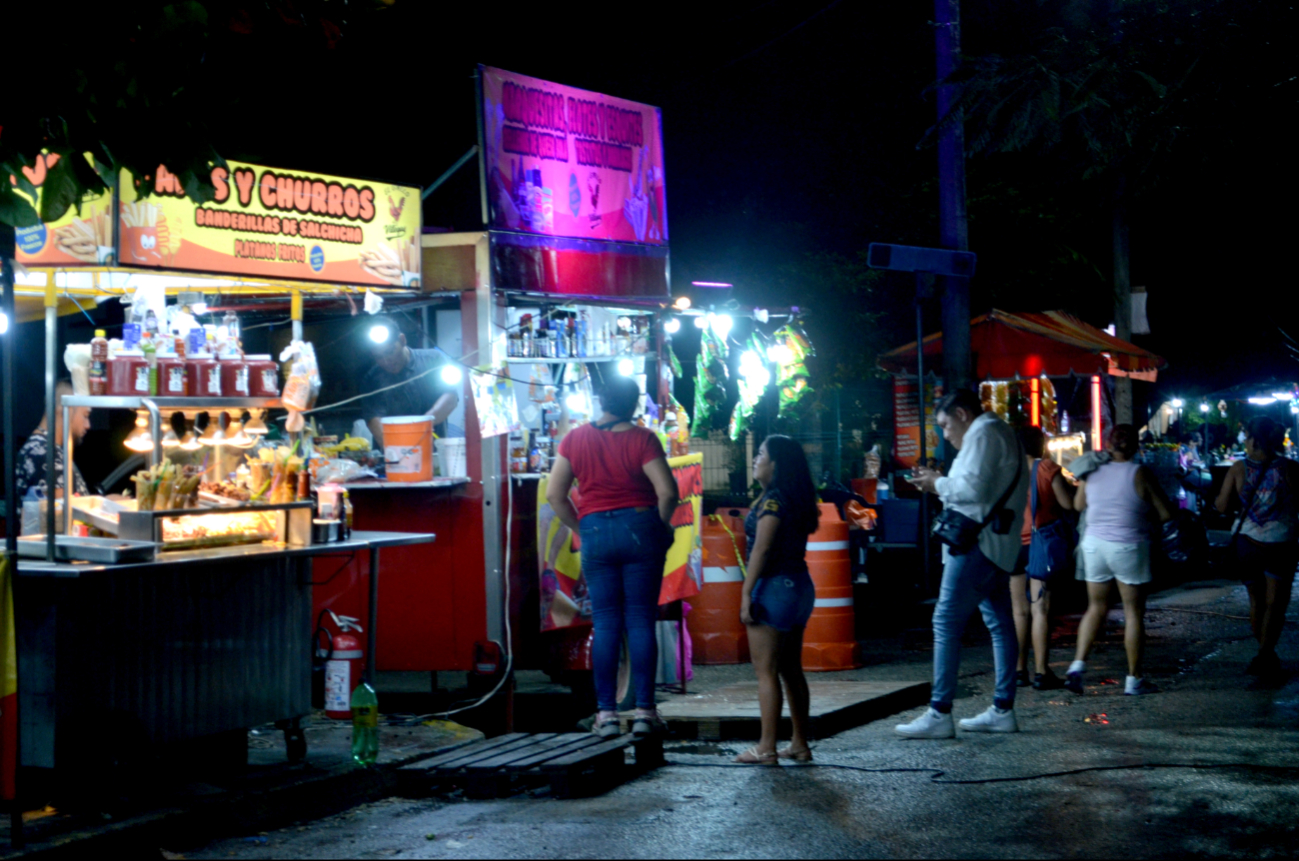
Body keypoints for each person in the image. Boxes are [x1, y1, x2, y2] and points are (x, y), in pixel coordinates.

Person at [546, 375, 679, 739]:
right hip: (639, 531)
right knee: (639, 620)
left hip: (596, 534)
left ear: (600, 401)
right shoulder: (643, 439)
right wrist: (661, 527)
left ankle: (605, 715)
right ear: (634, 404)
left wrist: (582, 527)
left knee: (605, 624)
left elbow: (556, 495)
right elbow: (667, 492)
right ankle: (644, 713)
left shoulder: (575, 439)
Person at [896, 389, 1030, 738]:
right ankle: (1003, 707)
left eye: (944, 424)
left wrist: (935, 483)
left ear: (961, 414)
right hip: (1000, 544)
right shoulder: (1004, 432)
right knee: (1000, 623)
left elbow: (969, 490)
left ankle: (940, 713)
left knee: (945, 621)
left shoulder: (982, 434)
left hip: (978, 544)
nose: (945, 434)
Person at [1067, 424, 1177, 696]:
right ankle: (1134, 680)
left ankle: (1077, 665)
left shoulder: (1091, 471)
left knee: (1096, 607)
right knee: (1133, 612)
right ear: (1136, 446)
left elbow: (1078, 506)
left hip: (1093, 546)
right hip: (1128, 546)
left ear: (1108, 443)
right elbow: (1166, 513)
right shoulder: (1140, 473)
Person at [734, 435, 820, 765]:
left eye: (761, 454)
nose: (756, 459)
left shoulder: (773, 502)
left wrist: (745, 593)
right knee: (790, 669)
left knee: (766, 671)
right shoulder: (794, 498)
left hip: (774, 589)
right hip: (799, 587)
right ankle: (799, 744)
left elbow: (762, 549)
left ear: (776, 464)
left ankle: (766, 747)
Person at [1215, 417, 1299, 679]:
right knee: (1276, 604)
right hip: (1281, 543)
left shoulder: (1238, 469)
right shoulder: (1290, 468)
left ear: (1252, 439)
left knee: (1256, 602)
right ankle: (1265, 654)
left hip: (1247, 543)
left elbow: (1222, 507)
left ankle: (1264, 654)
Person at [1009, 425, 1073, 691]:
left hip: (1013, 546)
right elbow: (1068, 504)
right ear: (1042, 444)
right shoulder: (1046, 469)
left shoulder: (1006, 471)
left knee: (1018, 611)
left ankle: (1019, 670)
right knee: (1040, 610)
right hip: (1041, 546)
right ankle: (1041, 673)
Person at [359, 317, 460, 448]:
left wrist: (423, 424)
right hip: (394, 457)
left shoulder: (433, 360)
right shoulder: (372, 379)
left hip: (434, 452)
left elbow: (451, 398)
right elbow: (374, 420)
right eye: (378, 357)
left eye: (389, 352)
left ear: (402, 340)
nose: (386, 361)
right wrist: (398, 452)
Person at [16, 380, 91, 501]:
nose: (88, 425)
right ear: (64, 409)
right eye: (85, 415)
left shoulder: (48, 449)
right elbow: (59, 516)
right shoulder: (43, 454)